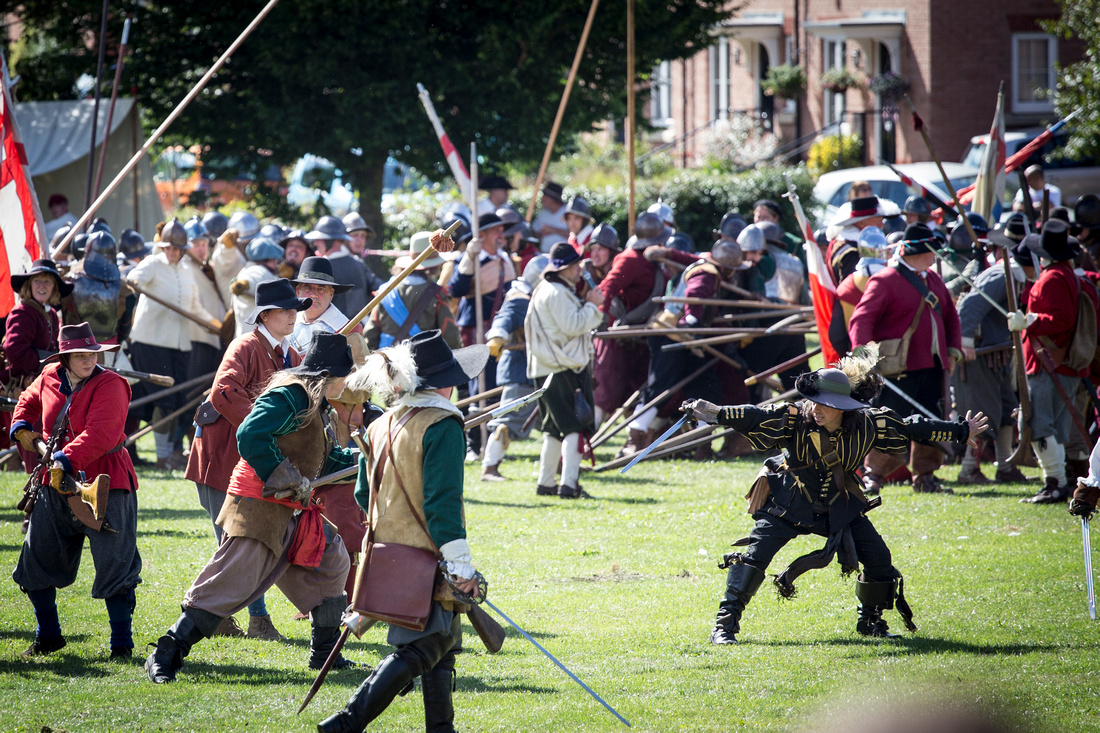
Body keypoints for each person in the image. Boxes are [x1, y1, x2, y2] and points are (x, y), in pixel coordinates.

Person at [685, 352, 986, 645]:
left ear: (843, 406)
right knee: (754, 557)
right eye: (814, 401)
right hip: (791, 501)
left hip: (840, 505)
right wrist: (714, 413)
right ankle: (724, 627)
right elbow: (754, 417)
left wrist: (959, 431)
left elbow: (912, 427)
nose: (816, 408)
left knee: (879, 559)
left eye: (825, 404)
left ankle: (870, 621)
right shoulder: (793, 420)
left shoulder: (869, 424)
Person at [145, 332, 360, 683]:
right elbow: (250, 434)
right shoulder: (290, 396)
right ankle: (166, 651)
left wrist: (364, 459)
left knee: (332, 561)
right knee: (229, 583)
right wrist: (285, 474)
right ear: (328, 376)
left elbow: (325, 460)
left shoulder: (317, 405)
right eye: (344, 376)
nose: (348, 383)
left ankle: (326, 654)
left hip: (291, 507)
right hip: (258, 505)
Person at [317, 329, 490, 733]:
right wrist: (460, 564)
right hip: (430, 554)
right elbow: (442, 504)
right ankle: (345, 723)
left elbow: (364, 493)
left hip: (388, 552)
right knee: (425, 646)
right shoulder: (443, 424)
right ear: (442, 383)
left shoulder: (381, 425)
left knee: (442, 644)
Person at [185, 279, 311, 641]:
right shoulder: (245, 346)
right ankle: (239, 617)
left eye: (295, 310)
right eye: (286, 310)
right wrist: (266, 424)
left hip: (254, 459)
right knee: (235, 542)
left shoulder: (291, 355)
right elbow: (224, 391)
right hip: (220, 455)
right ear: (266, 315)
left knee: (245, 541)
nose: (293, 316)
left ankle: (227, 615)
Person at [11, 323, 141, 658]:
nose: (87, 361)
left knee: (116, 564)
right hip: (53, 484)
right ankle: (48, 636)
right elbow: (27, 400)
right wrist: (22, 425)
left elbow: (103, 432)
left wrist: (64, 458)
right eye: (79, 355)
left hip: (105, 480)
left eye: (92, 354)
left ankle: (121, 645)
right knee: (35, 559)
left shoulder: (112, 384)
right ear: (65, 357)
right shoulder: (50, 375)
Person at [849, 224, 963, 494]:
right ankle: (873, 476)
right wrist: (863, 358)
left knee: (931, 421)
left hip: (933, 366)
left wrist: (952, 352)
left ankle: (925, 475)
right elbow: (861, 320)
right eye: (931, 252)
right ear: (917, 253)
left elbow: (951, 318)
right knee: (890, 423)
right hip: (898, 368)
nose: (935, 257)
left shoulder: (933, 280)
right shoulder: (884, 280)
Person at [1007, 221, 1099, 503]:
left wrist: (1029, 321)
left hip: (1049, 361)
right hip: (1059, 362)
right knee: (1054, 427)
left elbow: (1062, 320)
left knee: (1036, 423)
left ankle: (1056, 483)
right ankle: (1057, 481)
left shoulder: (1054, 277)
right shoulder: (1065, 274)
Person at [126, 218, 219, 470]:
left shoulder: (187, 271)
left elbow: (195, 309)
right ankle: (163, 456)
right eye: (169, 247)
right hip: (150, 342)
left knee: (176, 401)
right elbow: (133, 278)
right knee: (162, 399)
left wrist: (216, 325)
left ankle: (167, 454)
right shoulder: (152, 263)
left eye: (177, 248)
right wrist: (133, 282)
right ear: (163, 246)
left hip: (179, 344)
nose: (173, 252)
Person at [525, 242, 605, 498]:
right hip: (562, 368)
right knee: (573, 427)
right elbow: (574, 325)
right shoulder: (557, 293)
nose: (580, 269)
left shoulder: (548, 290)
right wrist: (592, 304)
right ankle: (569, 485)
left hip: (548, 367)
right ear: (564, 269)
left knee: (553, 428)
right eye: (576, 265)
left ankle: (547, 482)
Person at [954, 223, 1030, 485]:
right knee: (981, 414)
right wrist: (964, 342)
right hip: (980, 355)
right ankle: (967, 470)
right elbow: (969, 308)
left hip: (998, 354)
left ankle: (1005, 466)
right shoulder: (1000, 276)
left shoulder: (1012, 275)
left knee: (1007, 409)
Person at [482, 254, 550, 481]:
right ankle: (490, 468)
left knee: (555, 422)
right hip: (519, 371)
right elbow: (504, 319)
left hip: (541, 369)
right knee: (506, 423)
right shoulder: (521, 299)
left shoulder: (539, 297)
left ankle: (560, 466)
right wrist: (497, 337)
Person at [365, 231, 459, 351]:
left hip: (388, 362)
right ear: (434, 266)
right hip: (423, 362)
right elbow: (450, 336)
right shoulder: (437, 294)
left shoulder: (384, 291)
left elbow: (370, 335)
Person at [3, 260, 70, 393]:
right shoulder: (23, 311)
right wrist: (49, 362)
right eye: (37, 280)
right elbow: (15, 352)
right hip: (20, 386)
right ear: (30, 284)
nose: (42, 286)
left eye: (47, 282)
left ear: (54, 288)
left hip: (43, 383)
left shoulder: (51, 313)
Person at [307, 216, 383, 322]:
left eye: (319, 239)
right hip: (358, 330)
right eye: (355, 235)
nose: (315, 243)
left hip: (331, 330)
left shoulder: (322, 268)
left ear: (331, 240)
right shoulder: (359, 264)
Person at [289, 256, 357, 354]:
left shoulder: (349, 330)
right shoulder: (286, 323)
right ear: (297, 291)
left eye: (321, 288)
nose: (313, 294)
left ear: (331, 294)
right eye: (307, 287)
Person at [230, 237, 282, 338]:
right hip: (257, 339)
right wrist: (246, 284)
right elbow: (254, 279)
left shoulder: (245, 270)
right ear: (271, 259)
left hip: (246, 337)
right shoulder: (258, 270)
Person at [532, 181, 569, 252]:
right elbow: (535, 229)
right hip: (545, 255)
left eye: (544, 196)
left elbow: (575, 234)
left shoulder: (567, 212)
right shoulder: (543, 213)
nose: (542, 199)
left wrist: (553, 230)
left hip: (565, 257)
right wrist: (541, 237)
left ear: (551, 198)